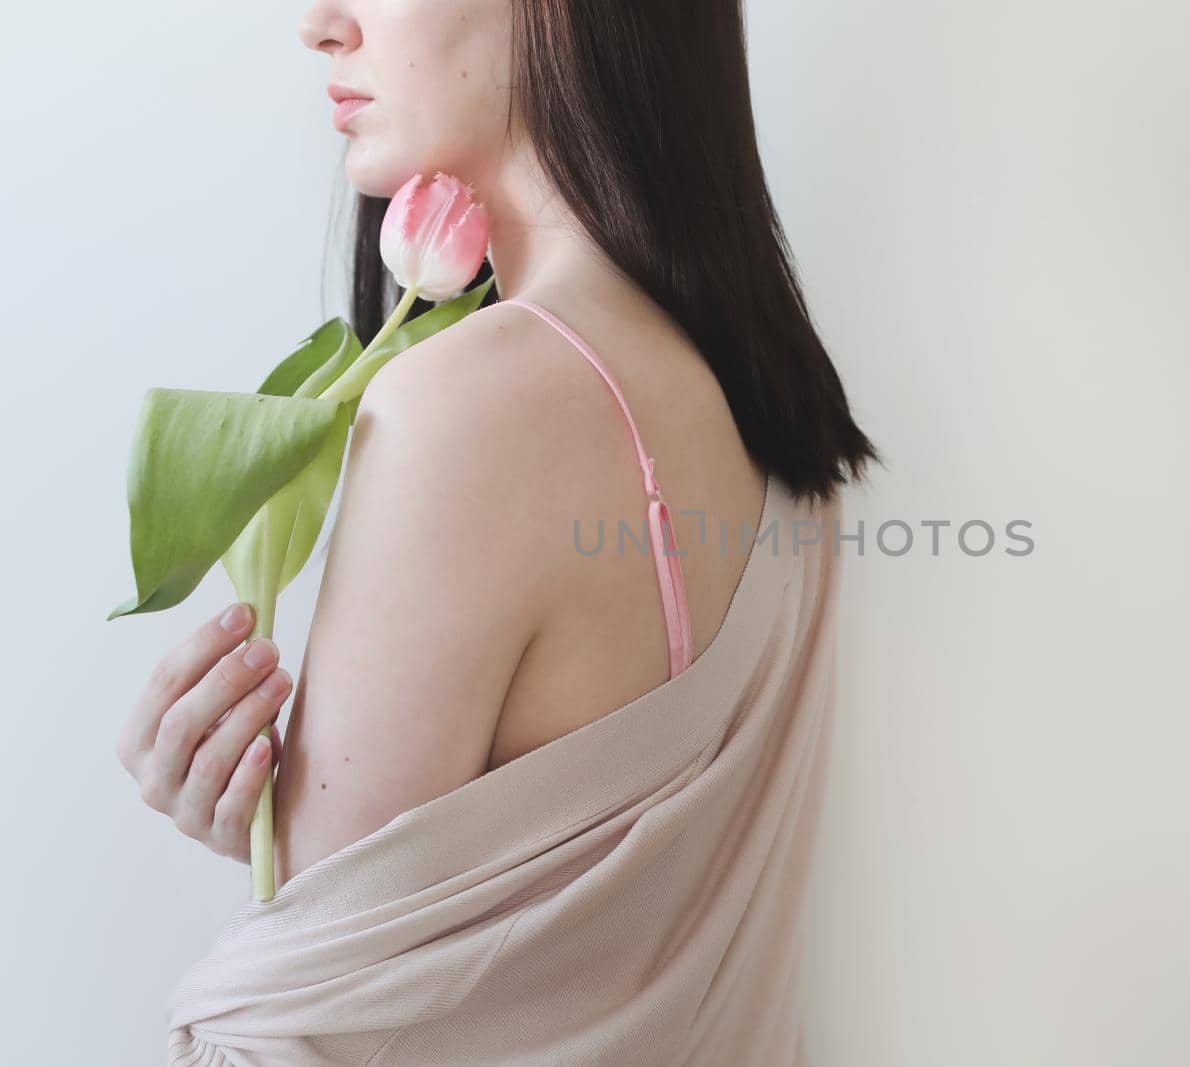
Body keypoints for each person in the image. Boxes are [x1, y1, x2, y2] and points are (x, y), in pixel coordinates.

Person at [116, 2, 881, 1063]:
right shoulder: (768, 416)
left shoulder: (472, 405)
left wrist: (276, 920)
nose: (321, 25)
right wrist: (269, 831)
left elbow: (309, 1042)